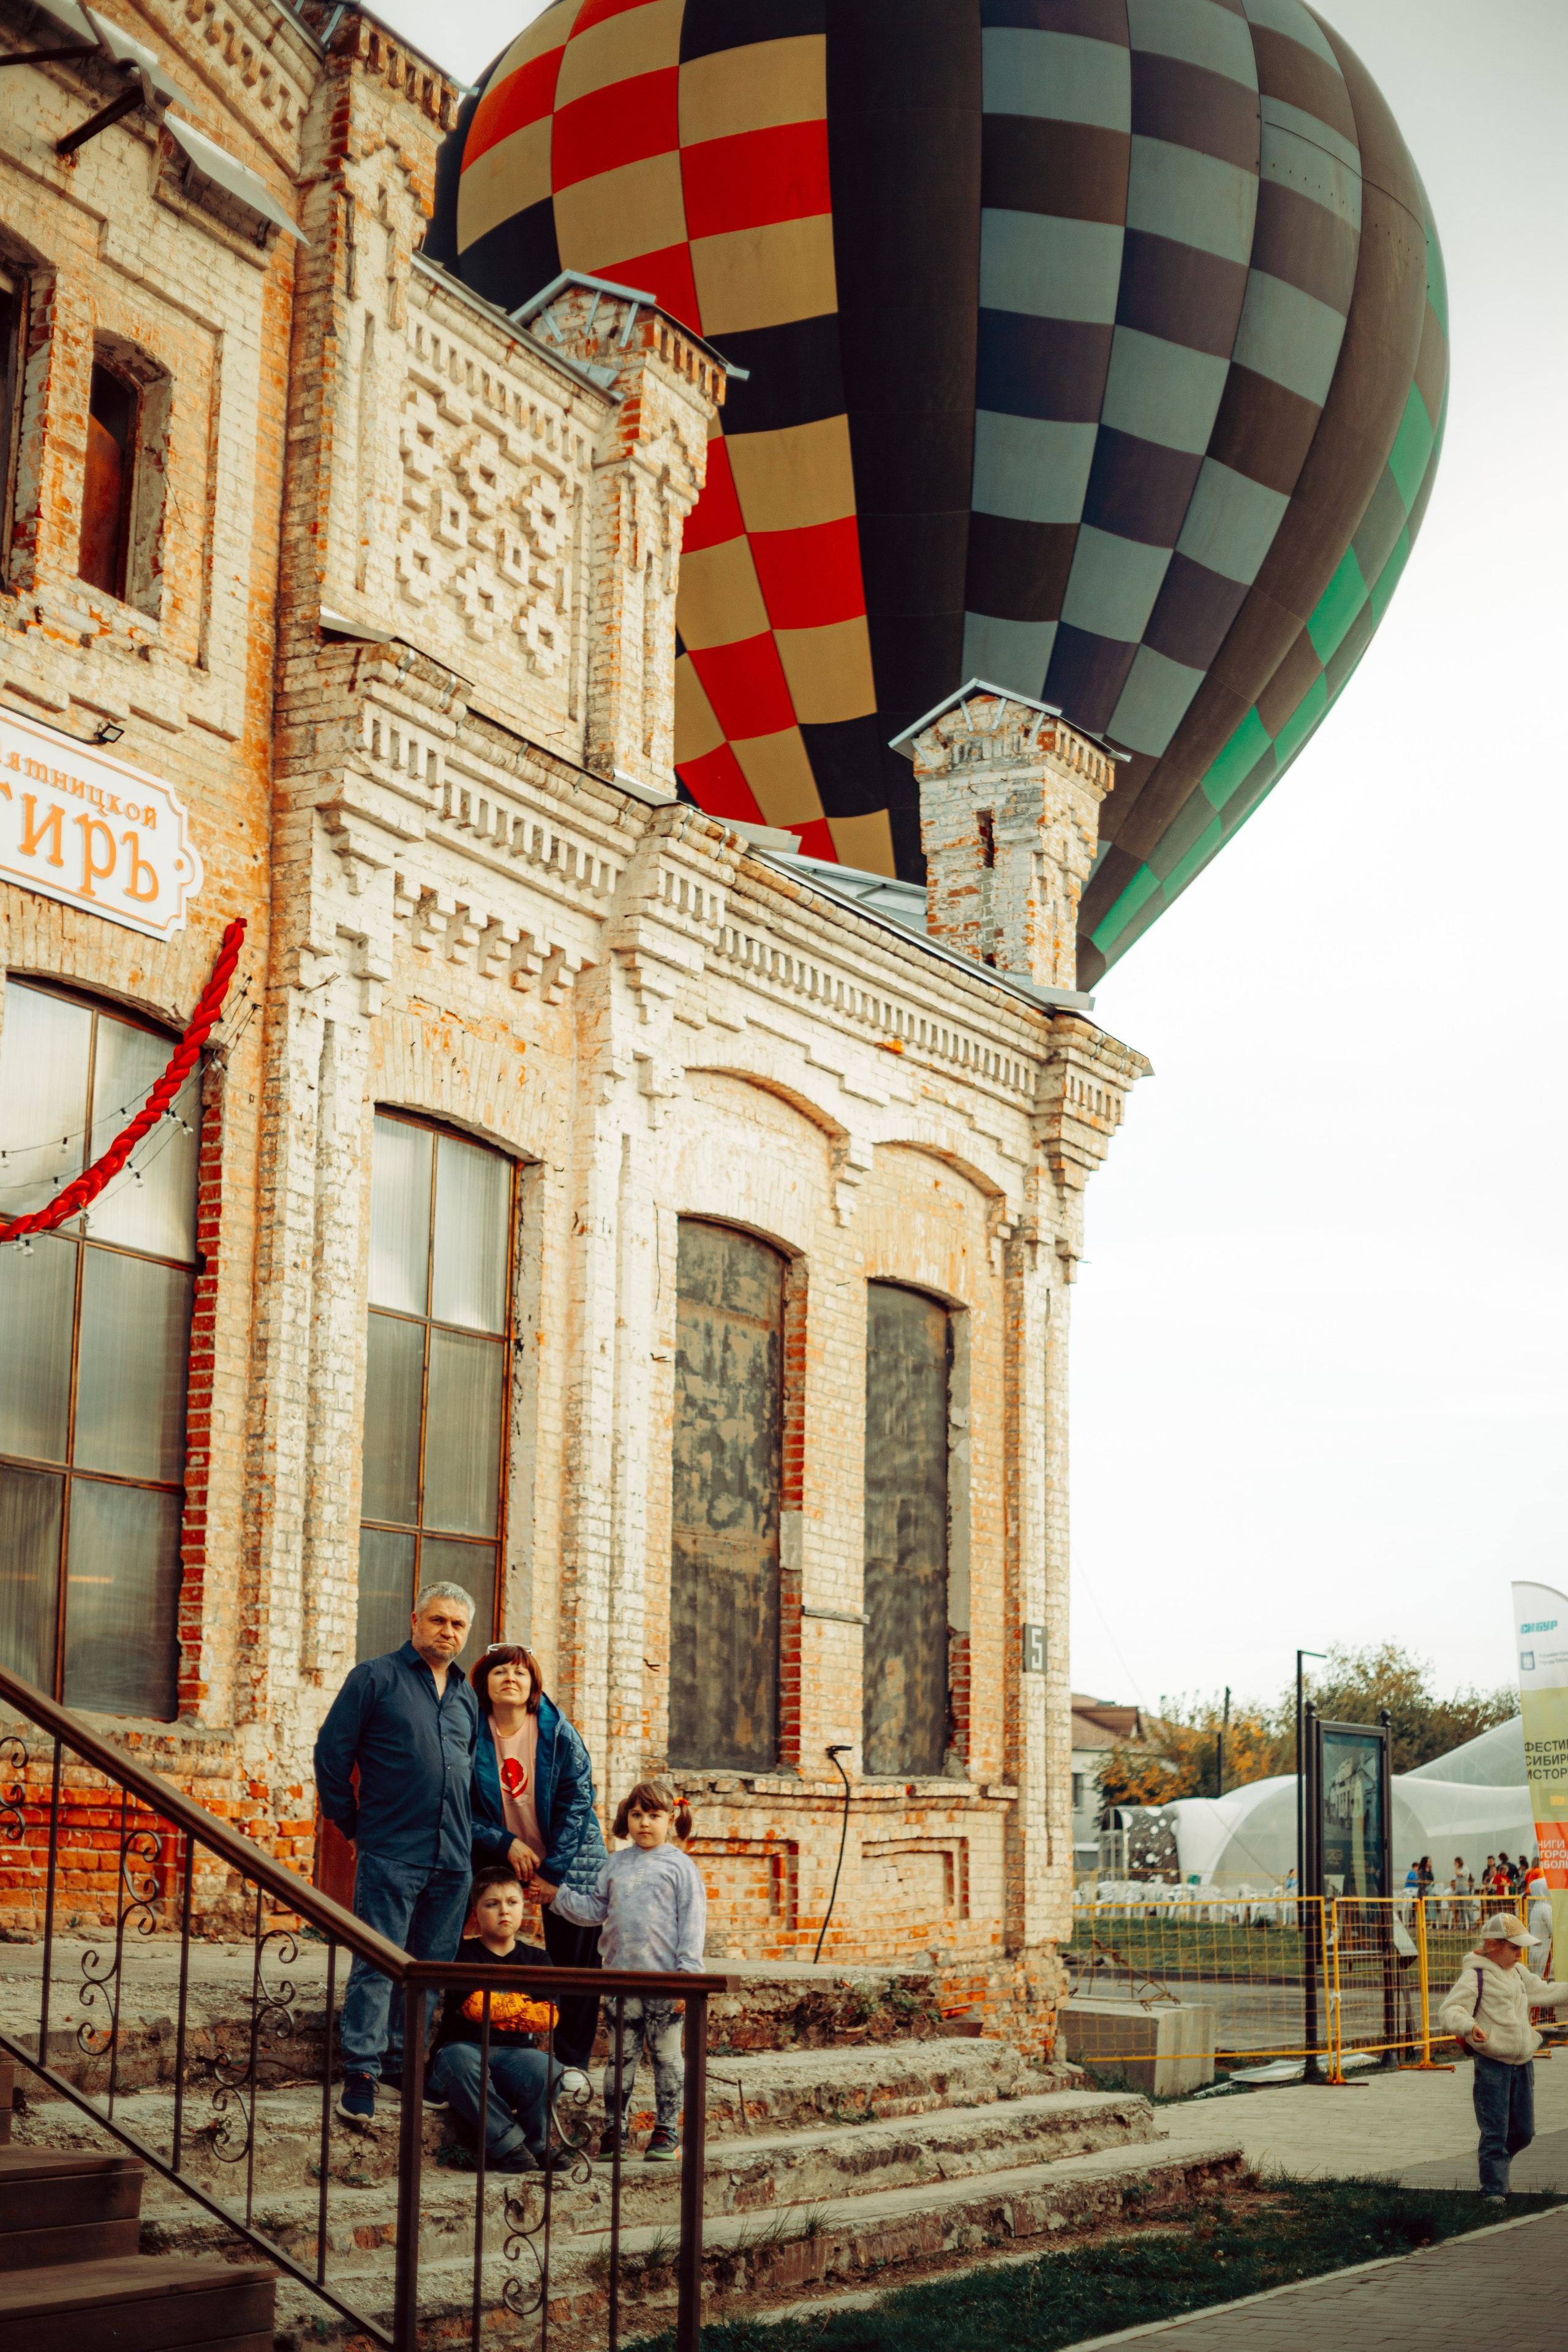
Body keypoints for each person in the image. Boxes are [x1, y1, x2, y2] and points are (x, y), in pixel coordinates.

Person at [314, 1582, 480, 2127]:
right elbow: (332, 1754)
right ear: (415, 1620)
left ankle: (398, 2065)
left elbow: (465, 1773)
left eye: (457, 1625)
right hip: (391, 1849)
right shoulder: (375, 1678)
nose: (447, 1631)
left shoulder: (466, 1694)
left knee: (430, 1972)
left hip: (453, 1857)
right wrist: (351, 1823)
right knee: (378, 1963)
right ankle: (360, 2071)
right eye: (438, 1620)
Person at [543, 1776, 706, 2165]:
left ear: (672, 1819)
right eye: (636, 1814)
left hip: (665, 1982)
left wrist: (688, 1974)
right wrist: (557, 1897)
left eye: (653, 1815)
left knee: (666, 2057)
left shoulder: (681, 1868)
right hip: (619, 1980)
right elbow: (594, 1911)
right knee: (621, 2058)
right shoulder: (614, 1865)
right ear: (626, 1819)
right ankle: (616, 2128)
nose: (644, 1823)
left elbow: (693, 1922)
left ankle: (666, 2130)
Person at [469, 1643, 608, 2075]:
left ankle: (573, 2066)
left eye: (520, 1673)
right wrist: (503, 1841)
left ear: (532, 1687)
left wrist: (552, 1874)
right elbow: (457, 1805)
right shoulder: (468, 1731)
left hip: (570, 1859)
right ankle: (475, 2046)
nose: (510, 1678)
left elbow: (580, 1800)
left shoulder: (557, 1731)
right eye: (500, 1672)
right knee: (474, 1943)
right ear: (483, 1683)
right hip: (499, 1850)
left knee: (577, 1966)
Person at [426, 1864, 572, 2174]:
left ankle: (538, 2144)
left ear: (523, 1908)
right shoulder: (462, 1955)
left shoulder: (537, 1959)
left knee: (547, 2068)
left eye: (512, 1902)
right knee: (462, 2061)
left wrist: (498, 2007)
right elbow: (477, 2008)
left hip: (514, 2057)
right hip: (461, 2051)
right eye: (492, 1904)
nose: (504, 1911)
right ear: (476, 1913)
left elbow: (546, 2017)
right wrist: (521, 2005)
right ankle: (508, 2146)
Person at [1437, 1911, 1568, 2199]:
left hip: (1523, 2063)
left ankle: (1497, 2167)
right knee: (1495, 2130)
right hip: (1492, 2064)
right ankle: (1493, 2191)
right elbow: (1450, 2011)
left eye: (1521, 1947)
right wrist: (1469, 2026)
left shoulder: (1518, 1973)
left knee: (1524, 2132)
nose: (1520, 1954)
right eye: (1514, 1948)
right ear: (1493, 1946)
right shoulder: (1476, 1976)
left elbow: (1546, 1991)